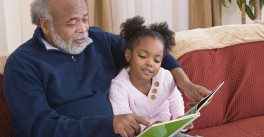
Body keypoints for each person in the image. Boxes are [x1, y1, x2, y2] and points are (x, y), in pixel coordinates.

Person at [3, 0, 210, 137]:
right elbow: (41, 127)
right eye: (72, 23)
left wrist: (185, 83)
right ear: (46, 25)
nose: (83, 29)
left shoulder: (98, 39)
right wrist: (108, 124)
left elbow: (149, 49)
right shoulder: (22, 65)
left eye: (84, 19)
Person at [109, 16, 199, 137]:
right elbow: (126, 122)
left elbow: (175, 99)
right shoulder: (118, 87)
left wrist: (179, 119)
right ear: (128, 55)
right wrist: (149, 129)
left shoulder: (165, 76)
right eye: (143, 56)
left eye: (157, 60)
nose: (150, 63)